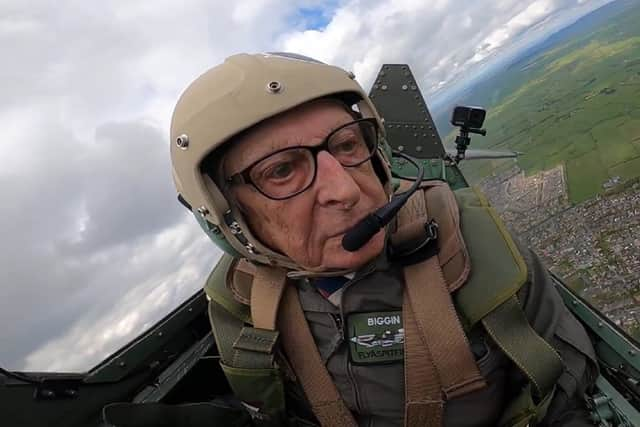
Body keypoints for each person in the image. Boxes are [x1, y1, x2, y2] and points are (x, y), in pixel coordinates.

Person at [169, 53, 598, 427]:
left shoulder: (470, 242)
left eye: (347, 144)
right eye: (282, 171)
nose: (347, 190)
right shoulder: (237, 303)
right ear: (226, 214)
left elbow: (563, 398)